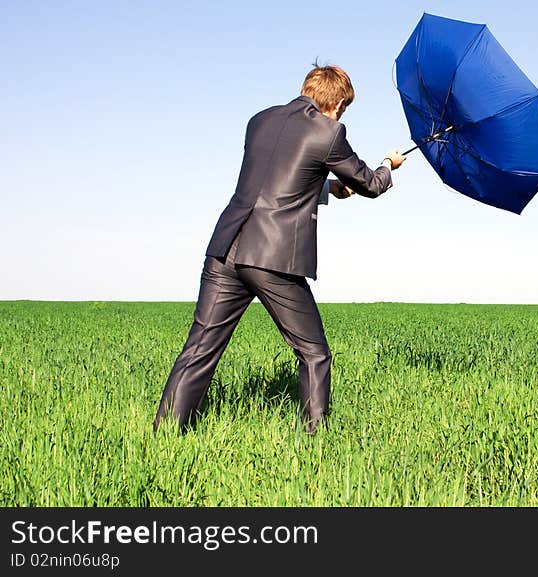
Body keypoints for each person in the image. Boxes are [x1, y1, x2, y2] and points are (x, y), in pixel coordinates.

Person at [153, 63, 406, 435]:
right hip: (272, 258)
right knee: (314, 353)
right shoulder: (330, 132)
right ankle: (315, 441)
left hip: (227, 247)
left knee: (200, 348)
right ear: (336, 103)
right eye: (344, 108)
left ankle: (165, 436)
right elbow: (369, 184)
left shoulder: (259, 121)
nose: (341, 113)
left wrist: (328, 189)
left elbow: (273, 177)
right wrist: (389, 165)